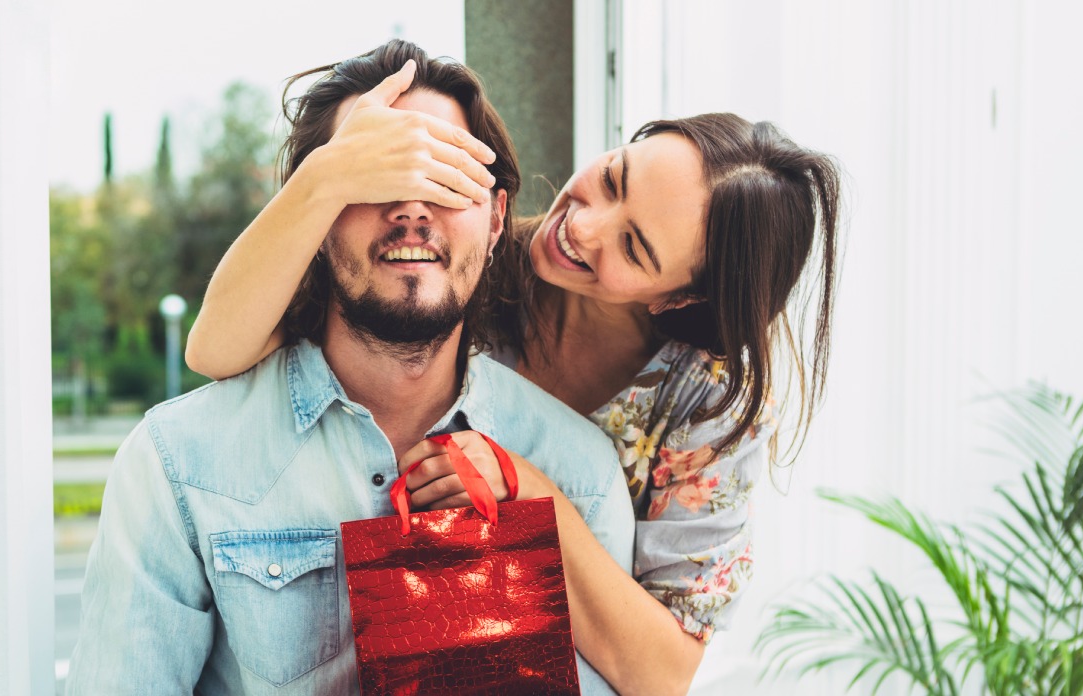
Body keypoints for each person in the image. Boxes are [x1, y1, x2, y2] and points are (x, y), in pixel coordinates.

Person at [186, 40, 843, 695]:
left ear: (680, 296)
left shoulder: (709, 398)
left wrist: (529, 494)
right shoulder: (471, 264)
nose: (585, 226)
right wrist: (325, 176)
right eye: (613, 179)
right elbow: (216, 351)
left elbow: (665, 675)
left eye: (634, 247)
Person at [64, 40, 637, 695]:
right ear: (314, 213)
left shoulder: (578, 475)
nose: (414, 209)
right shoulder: (180, 465)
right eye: (375, 175)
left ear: (497, 215)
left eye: (447, 176)